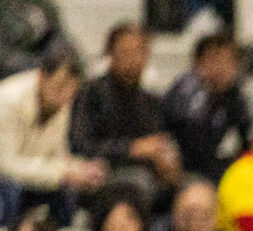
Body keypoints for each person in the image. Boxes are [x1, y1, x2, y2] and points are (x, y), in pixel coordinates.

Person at [0, 43, 106, 228]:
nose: (65, 97)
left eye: (71, 91)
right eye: (60, 87)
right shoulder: (8, 102)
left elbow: (54, 157)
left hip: (16, 169)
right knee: (10, 189)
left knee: (67, 190)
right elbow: (2, 165)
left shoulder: (61, 102)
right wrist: (63, 172)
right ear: (41, 76)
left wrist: (76, 169)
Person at [68, 23, 180, 211]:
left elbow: (158, 143)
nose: (133, 60)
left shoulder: (150, 100)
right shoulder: (91, 93)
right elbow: (81, 146)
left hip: (144, 174)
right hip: (99, 174)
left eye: (139, 52)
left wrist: (167, 163)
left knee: (193, 190)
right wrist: (132, 149)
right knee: (138, 183)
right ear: (110, 54)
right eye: (125, 52)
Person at [164, 30, 251, 180]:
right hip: (184, 168)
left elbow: (245, 138)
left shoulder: (236, 97)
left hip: (220, 168)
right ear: (198, 63)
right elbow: (191, 142)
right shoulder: (184, 91)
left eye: (228, 61)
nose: (221, 67)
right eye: (214, 60)